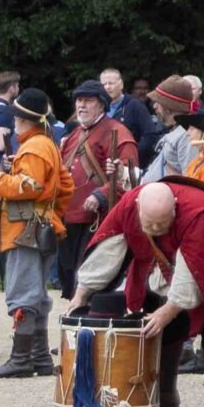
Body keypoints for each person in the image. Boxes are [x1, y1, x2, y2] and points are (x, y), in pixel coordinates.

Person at [70, 179, 204, 407]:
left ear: (176, 208)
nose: (156, 227)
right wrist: (81, 293)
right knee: (163, 328)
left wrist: (167, 311)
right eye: (149, 223)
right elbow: (107, 247)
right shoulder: (129, 205)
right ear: (139, 207)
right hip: (162, 270)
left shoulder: (198, 213)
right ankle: (164, 396)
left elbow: (192, 272)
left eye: (163, 222)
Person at [0, 86, 69, 378]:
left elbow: (29, 186)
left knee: (23, 294)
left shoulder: (32, 147)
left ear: (21, 120)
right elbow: (65, 186)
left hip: (25, 230)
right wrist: (51, 214)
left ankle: (21, 360)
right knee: (36, 293)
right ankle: (40, 358)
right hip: (39, 227)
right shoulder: (46, 144)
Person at [57, 81, 139, 298]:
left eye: (88, 101)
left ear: (102, 105)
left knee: (89, 282)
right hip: (69, 219)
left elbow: (131, 179)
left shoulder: (118, 133)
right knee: (69, 281)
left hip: (97, 221)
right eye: (79, 100)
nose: (81, 106)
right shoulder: (74, 135)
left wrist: (100, 194)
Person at [103, 67, 162, 165]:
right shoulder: (99, 108)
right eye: (104, 84)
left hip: (129, 165)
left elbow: (150, 135)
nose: (107, 87)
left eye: (111, 83)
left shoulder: (135, 105)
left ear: (121, 84)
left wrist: (131, 157)